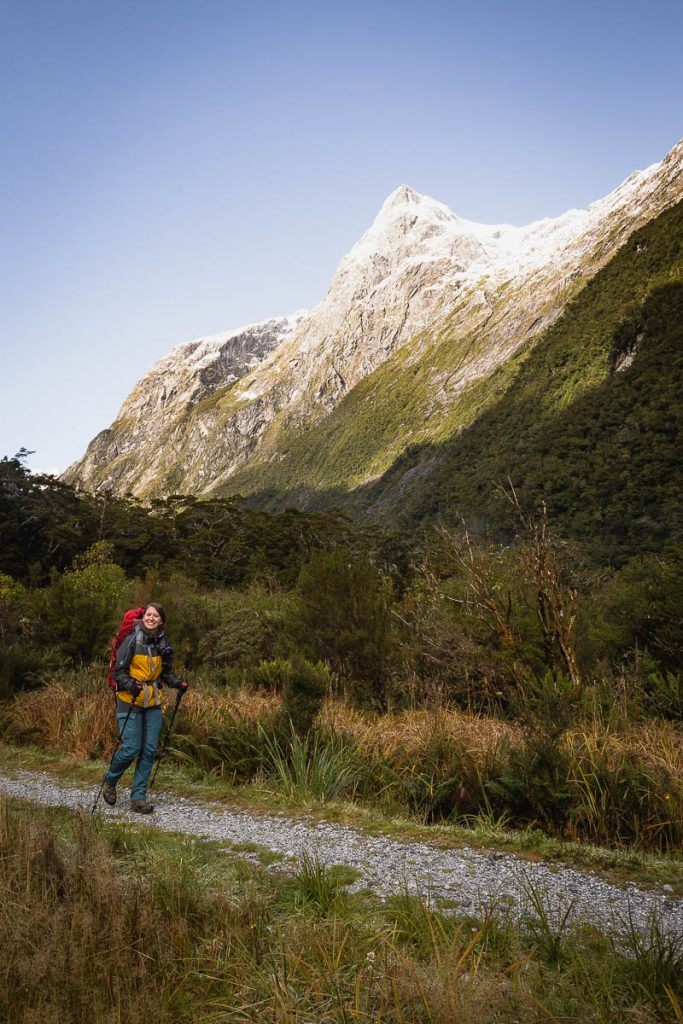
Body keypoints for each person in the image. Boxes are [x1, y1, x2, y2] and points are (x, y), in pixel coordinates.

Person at [102, 603, 187, 813]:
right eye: (149, 614)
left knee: (149, 750)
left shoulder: (163, 643)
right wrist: (132, 685)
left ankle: (138, 799)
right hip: (129, 700)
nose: (151, 618)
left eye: (156, 616)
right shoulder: (131, 640)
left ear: (161, 621)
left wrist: (178, 683)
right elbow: (118, 673)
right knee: (131, 749)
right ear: (144, 618)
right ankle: (110, 781)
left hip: (152, 702)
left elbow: (165, 673)